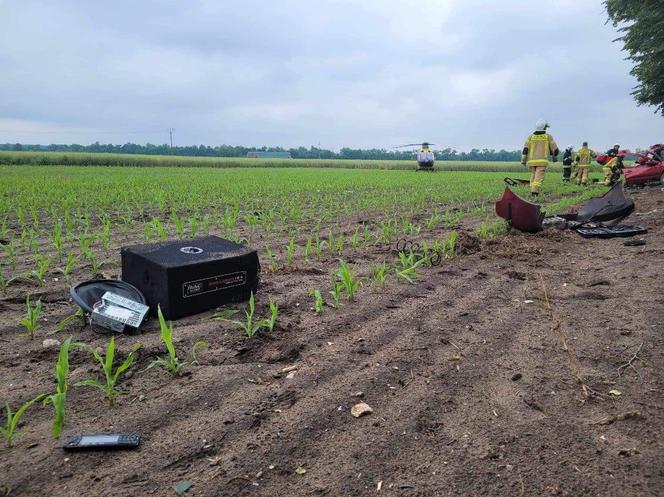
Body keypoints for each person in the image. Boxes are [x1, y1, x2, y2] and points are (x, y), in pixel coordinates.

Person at [521, 120, 559, 196]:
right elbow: (555, 150)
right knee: (538, 177)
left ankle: (532, 189)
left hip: (531, 161)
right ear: (544, 127)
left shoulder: (530, 137)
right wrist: (555, 158)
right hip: (542, 161)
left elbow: (525, 150)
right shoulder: (548, 136)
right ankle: (534, 192)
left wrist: (523, 161)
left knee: (533, 175)